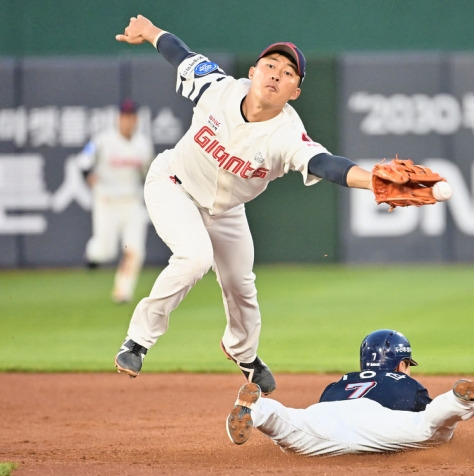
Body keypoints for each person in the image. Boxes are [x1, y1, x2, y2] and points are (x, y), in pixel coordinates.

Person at [112, 14, 378, 393]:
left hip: (227, 210)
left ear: (295, 92)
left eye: (288, 73)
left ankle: (243, 353)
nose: (275, 74)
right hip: (173, 184)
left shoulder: (287, 134)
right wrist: (150, 32)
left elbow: (326, 164)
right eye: (270, 65)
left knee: (241, 284)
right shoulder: (216, 87)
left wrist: (374, 181)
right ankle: (137, 340)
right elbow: (179, 53)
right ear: (253, 72)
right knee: (195, 257)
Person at [226, 329, 474, 456]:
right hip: (380, 424)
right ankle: (463, 399)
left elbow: (324, 408)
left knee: (286, 424)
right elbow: (419, 415)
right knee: (431, 427)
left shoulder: (340, 381)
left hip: (323, 418)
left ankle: (256, 409)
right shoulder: (405, 381)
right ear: (402, 362)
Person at [79, 99, 154, 303]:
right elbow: (84, 160)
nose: (128, 121)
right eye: (124, 117)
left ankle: (122, 292)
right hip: (107, 201)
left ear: (136, 119)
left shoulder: (143, 144)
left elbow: (148, 173)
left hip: (132, 201)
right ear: (118, 119)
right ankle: (92, 254)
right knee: (105, 250)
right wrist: (88, 174)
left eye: (131, 117)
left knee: (135, 250)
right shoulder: (102, 140)